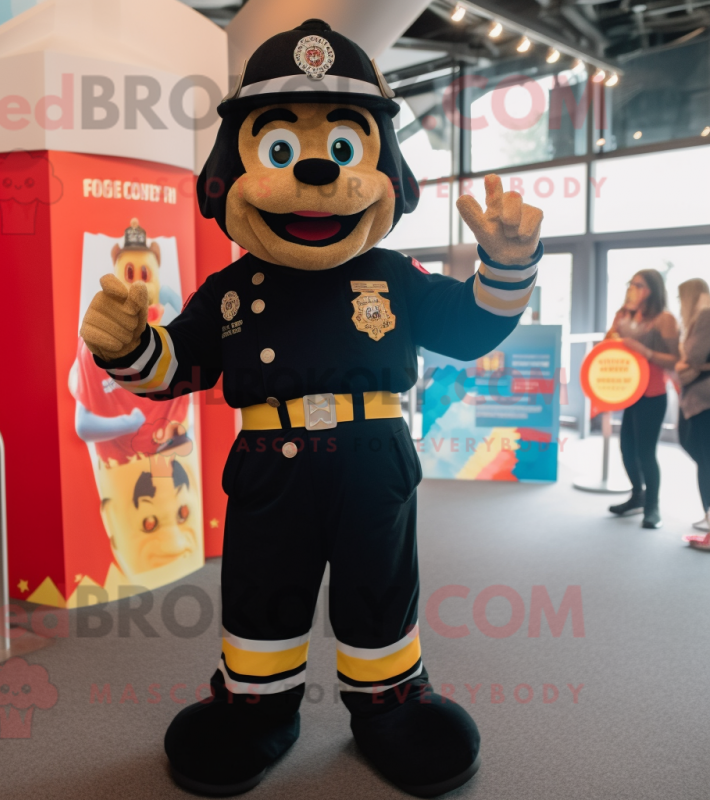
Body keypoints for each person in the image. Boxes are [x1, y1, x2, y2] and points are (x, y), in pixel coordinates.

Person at [79, 19, 544, 798]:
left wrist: (507, 265)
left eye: (345, 148)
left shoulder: (394, 273)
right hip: (268, 464)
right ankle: (257, 707)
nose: (319, 174)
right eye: (281, 152)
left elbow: (466, 330)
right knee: (263, 588)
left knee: (379, 588)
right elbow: (179, 364)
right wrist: (130, 345)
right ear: (233, 171)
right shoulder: (229, 289)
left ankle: (392, 704)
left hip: (373, 459)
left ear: (385, 168)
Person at [606, 269, 679, 528]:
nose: (634, 289)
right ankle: (637, 495)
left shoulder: (664, 318)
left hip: (653, 392)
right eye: (631, 284)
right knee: (626, 448)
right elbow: (608, 345)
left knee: (646, 452)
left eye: (639, 285)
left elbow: (676, 359)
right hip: (628, 391)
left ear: (653, 289)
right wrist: (620, 320)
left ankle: (653, 506)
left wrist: (645, 351)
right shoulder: (625, 315)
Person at [675, 278, 710, 549]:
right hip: (698, 396)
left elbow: (691, 354)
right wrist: (688, 366)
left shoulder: (705, 314)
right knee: (699, 452)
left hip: (703, 398)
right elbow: (686, 366)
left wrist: (689, 364)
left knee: (704, 456)